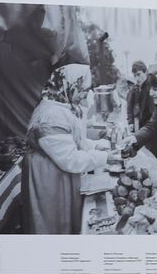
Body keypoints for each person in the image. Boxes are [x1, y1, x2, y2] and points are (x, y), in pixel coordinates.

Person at [24, 63, 109, 235]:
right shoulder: (50, 115)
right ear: (70, 85)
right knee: (52, 222)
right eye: (83, 89)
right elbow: (71, 159)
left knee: (64, 220)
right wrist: (105, 157)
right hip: (48, 179)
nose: (85, 95)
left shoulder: (61, 107)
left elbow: (73, 141)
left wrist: (95, 146)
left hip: (57, 173)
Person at [126, 61, 153, 132]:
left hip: (150, 126)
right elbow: (130, 106)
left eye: (139, 74)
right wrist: (131, 122)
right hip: (139, 125)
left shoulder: (152, 88)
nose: (137, 78)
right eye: (135, 76)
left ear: (146, 72)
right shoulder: (135, 89)